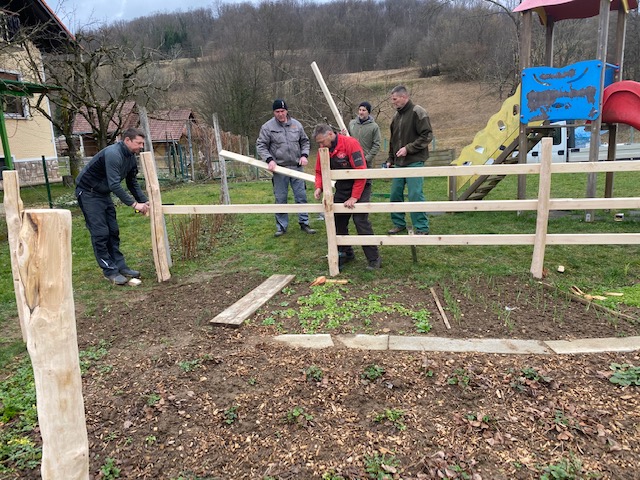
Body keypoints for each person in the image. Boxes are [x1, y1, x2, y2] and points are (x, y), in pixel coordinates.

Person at [75, 127, 150, 285]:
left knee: (113, 231)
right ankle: (109, 270)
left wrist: (145, 202)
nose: (141, 147)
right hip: (88, 192)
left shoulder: (130, 157)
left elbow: (132, 183)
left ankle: (120, 267)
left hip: (103, 193)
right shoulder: (113, 154)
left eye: (142, 144)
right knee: (100, 232)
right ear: (127, 140)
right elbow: (114, 184)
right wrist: (134, 204)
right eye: (139, 143)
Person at [313, 124, 381, 271]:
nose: (320, 145)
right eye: (318, 143)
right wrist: (319, 187)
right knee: (337, 219)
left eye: (322, 141)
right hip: (342, 186)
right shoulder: (323, 150)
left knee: (360, 220)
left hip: (361, 184)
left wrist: (355, 197)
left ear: (330, 134)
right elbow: (319, 171)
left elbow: (361, 172)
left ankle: (374, 258)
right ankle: (345, 252)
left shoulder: (351, 144)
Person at [256, 99, 316, 237]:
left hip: (297, 167)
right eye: (277, 112)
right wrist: (269, 160)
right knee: (281, 197)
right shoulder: (267, 127)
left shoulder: (297, 125)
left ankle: (304, 223)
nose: (280, 114)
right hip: (279, 169)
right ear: (274, 112)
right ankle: (281, 226)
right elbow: (261, 146)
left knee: (301, 196)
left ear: (287, 111)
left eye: (282, 111)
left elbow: (305, 141)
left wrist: (304, 155)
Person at [386, 85, 432, 235]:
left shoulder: (418, 112)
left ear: (404, 97)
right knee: (395, 194)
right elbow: (393, 141)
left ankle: (421, 227)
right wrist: (390, 159)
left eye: (395, 99)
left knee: (415, 194)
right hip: (398, 164)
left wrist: (408, 148)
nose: (393, 102)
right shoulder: (395, 117)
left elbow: (427, 136)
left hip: (415, 160)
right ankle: (399, 223)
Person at [348, 101, 381, 169]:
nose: (361, 112)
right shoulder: (352, 123)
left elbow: (376, 145)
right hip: (351, 160)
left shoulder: (374, 127)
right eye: (360, 110)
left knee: (366, 179)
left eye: (364, 110)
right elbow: (347, 139)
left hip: (366, 162)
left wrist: (367, 159)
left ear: (368, 112)